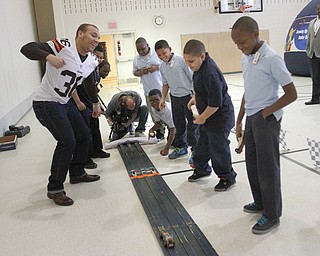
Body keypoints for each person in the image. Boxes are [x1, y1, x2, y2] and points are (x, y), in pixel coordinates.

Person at [20, 23, 102, 206]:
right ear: (80, 34)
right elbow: (27, 48)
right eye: (93, 35)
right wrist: (48, 56)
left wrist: (95, 104)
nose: (96, 40)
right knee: (67, 141)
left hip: (64, 102)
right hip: (46, 102)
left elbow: (88, 83)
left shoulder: (90, 60)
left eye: (98, 37)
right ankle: (55, 188)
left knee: (83, 134)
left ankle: (77, 172)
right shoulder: (63, 46)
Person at [231, 16, 297, 234]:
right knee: (252, 164)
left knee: (268, 168)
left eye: (243, 42)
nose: (240, 47)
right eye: (237, 44)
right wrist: (240, 119)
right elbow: (248, 91)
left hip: (266, 119)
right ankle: (260, 202)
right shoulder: (247, 57)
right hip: (251, 117)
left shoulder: (272, 58)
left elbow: (292, 94)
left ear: (256, 34)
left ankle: (272, 214)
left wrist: (265, 113)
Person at [183, 39, 237, 193]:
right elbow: (203, 90)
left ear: (202, 56)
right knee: (201, 145)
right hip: (207, 117)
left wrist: (202, 118)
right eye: (187, 61)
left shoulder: (210, 73)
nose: (189, 65)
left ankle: (227, 177)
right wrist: (196, 98)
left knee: (218, 149)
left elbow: (215, 103)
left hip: (219, 118)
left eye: (191, 61)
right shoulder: (198, 69)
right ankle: (201, 169)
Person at [155, 39, 199, 159]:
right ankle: (181, 147)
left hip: (188, 97)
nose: (163, 56)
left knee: (192, 125)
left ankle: (196, 150)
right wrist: (163, 98)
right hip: (175, 97)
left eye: (164, 53)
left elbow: (193, 78)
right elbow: (165, 84)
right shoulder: (162, 67)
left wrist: (195, 95)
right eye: (159, 55)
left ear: (170, 49)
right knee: (179, 124)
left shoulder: (181, 61)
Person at [133, 37, 165, 139]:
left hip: (162, 90)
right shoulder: (136, 59)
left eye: (143, 48)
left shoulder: (156, 55)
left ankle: (172, 130)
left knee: (166, 111)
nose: (141, 51)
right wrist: (141, 72)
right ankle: (160, 131)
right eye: (139, 50)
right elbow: (135, 72)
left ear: (148, 46)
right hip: (148, 92)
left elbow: (165, 64)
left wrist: (156, 67)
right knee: (154, 113)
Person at [148, 89, 176, 156]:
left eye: (156, 100)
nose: (154, 103)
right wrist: (152, 129)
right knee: (171, 142)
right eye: (151, 101)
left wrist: (166, 148)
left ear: (162, 99)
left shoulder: (168, 110)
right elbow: (159, 123)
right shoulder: (154, 108)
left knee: (176, 143)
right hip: (171, 126)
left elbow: (173, 129)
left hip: (181, 126)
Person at [305, 3, 320, 105]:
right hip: (313, 54)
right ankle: (315, 99)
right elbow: (309, 38)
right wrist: (308, 50)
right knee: (315, 78)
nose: (319, 11)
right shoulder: (312, 22)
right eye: (318, 9)